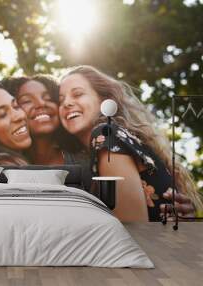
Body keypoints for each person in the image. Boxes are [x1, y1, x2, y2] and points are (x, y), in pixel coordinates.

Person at [57, 65, 201, 222]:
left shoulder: (106, 136)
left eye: (77, 94)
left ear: (104, 101)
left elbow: (133, 233)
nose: (67, 103)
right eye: (61, 100)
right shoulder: (115, 142)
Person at [1, 75, 85, 166]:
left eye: (48, 98)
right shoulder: (2, 165)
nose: (41, 103)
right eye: (27, 101)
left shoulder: (84, 161)